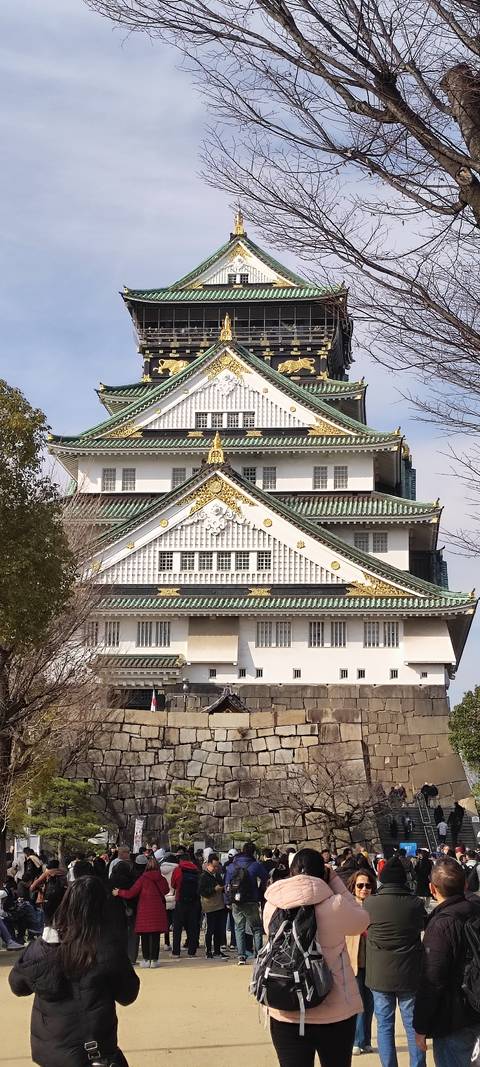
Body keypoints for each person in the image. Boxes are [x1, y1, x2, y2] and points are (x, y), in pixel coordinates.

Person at [9, 875, 139, 1067]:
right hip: (93, 1052)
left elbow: (17, 985)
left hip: (50, 1050)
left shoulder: (42, 947)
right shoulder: (107, 949)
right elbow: (128, 995)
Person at [263, 848, 368, 1067]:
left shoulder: (272, 904)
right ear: (324, 874)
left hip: (286, 1003)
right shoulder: (335, 906)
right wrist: (337, 882)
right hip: (334, 1010)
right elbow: (362, 921)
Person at [414, 857, 480, 1066]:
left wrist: (420, 1026)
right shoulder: (475, 911)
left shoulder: (440, 926)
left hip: (454, 1017)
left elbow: (432, 980)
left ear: (433, 888)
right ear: (466, 884)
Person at [364, 855, 427, 1067]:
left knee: (384, 1024)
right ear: (403, 880)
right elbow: (421, 926)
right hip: (409, 971)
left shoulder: (370, 903)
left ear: (381, 879)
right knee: (412, 1024)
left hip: (379, 974)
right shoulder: (415, 904)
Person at [113, 855, 168, 968]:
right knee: (156, 936)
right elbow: (166, 890)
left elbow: (131, 893)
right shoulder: (161, 878)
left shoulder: (143, 878)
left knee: (145, 936)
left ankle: (146, 959)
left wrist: (119, 892)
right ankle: (154, 960)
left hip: (144, 911)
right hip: (158, 910)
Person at [346, 868, 376, 1056]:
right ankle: (356, 1040)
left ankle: (366, 1040)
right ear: (354, 887)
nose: (364, 889)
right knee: (358, 1004)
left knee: (370, 1004)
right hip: (353, 960)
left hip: (373, 962)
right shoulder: (347, 907)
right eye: (360, 885)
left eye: (368, 885)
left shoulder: (376, 907)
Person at [225, 841, 268, 965]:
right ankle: (258, 954)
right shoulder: (255, 865)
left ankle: (241, 956)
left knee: (239, 928)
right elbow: (265, 878)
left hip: (236, 901)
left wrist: (228, 901)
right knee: (256, 928)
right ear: (253, 852)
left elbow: (227, 885)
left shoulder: (232, 866)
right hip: (251, 900)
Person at [109, 847, 138, 964]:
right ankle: (132, 956)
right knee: (132, 932)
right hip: (131, 907)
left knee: (118, 931)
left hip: (116, 908)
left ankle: (118, 955)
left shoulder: (112, 880)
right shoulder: (132, 879)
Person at [171, 848, 201, 957]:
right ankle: (192, 951)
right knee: (192, 926)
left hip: (180, 900)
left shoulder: (178, 869)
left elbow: (173, 884)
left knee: (177, 927)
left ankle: (176, 952)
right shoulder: (196, 870)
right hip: (194, 901)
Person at [199, 853, 228, 959]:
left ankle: (217, 950)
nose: (216, 868)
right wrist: (213, 890)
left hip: (219, 905)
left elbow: (221, 887)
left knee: (218, 929)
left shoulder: (218, 875)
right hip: (209, 907)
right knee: (209, 930)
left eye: (217, 866)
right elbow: (201, 891)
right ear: (208, 865)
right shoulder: (203, 876)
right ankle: (208, 951)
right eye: (214, 866)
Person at [155, 849, 178, 949]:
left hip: (163, 898)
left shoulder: (159, 869)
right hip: (174, 897)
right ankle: (175, 944)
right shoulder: (176, 869)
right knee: (175, 922)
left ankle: (166, 943)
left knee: (166, 923)